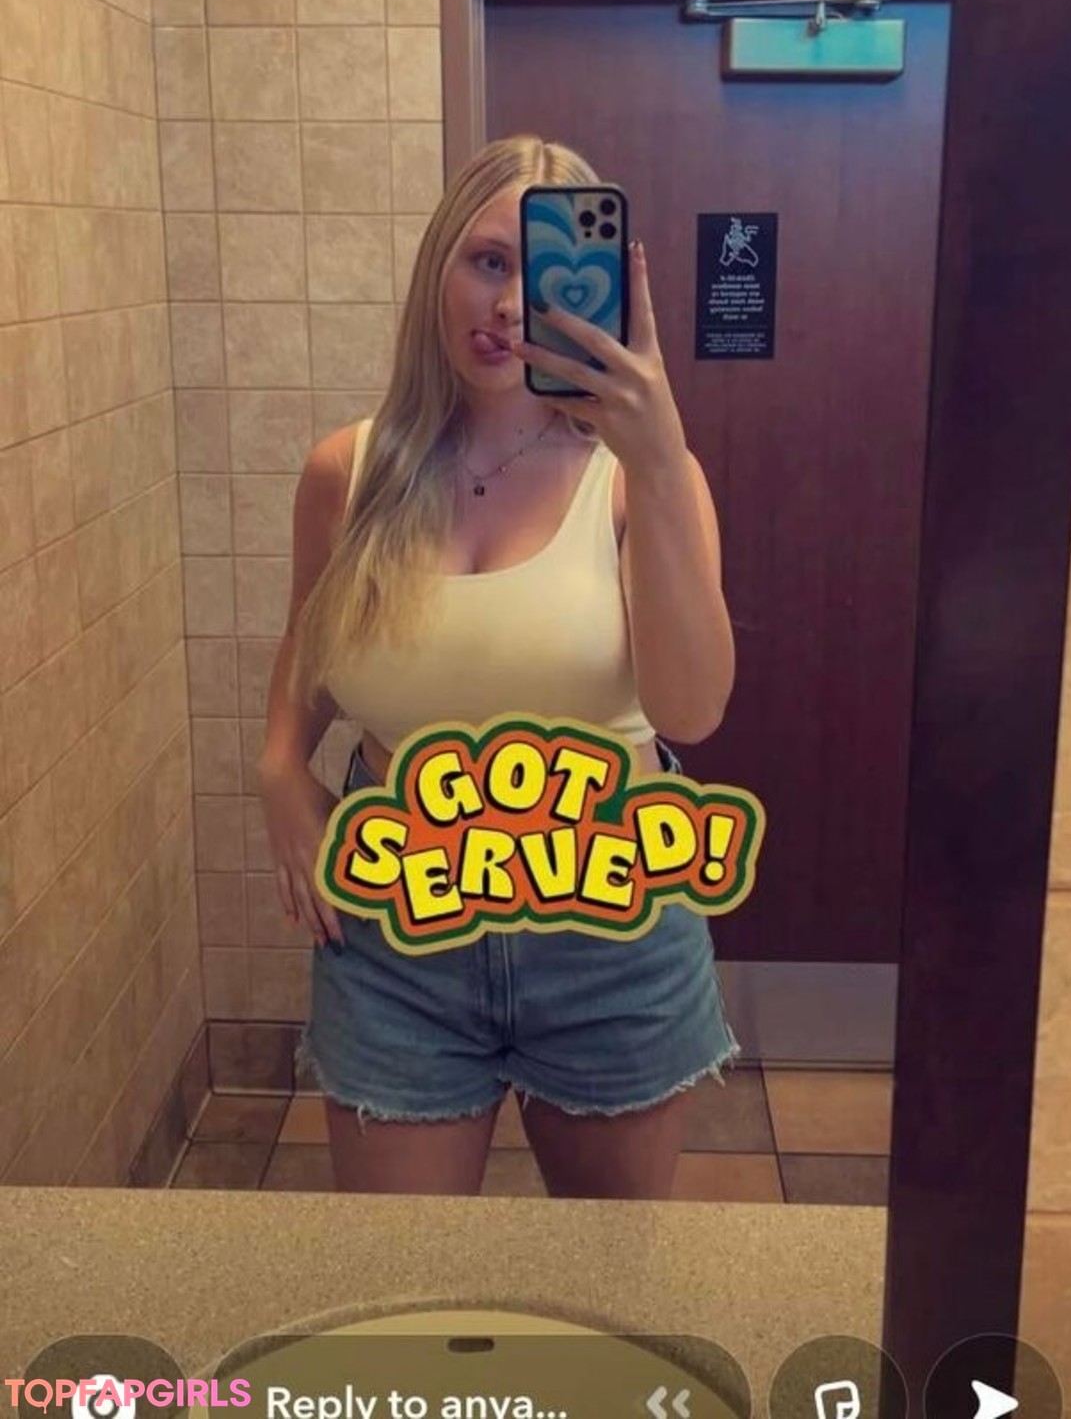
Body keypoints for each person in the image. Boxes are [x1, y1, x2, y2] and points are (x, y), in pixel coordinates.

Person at [257, 133, 739, 1197]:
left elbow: (693, 708)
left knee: (610, 1277)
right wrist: (281, 764)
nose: (512, 303)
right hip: (399, 915)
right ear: (440, 264)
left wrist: (660, 459)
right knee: (405, 1280)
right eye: (487, 261)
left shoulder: (639, 481)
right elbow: (310, 646)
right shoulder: (346, 473)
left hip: (607, 915)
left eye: (549, 270)